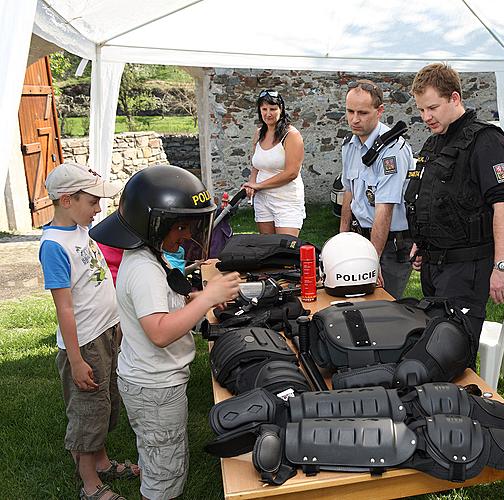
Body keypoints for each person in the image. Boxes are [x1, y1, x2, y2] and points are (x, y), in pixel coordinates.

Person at [90, 165, 242, 500]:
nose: (187, 234)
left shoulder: (151, 255)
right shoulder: (144, 269)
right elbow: (158, 332)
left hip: (153, 382)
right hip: (155, 386)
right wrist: (208, 300)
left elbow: (168, 301)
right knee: (165, 474)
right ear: (154, 223)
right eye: (182, 226)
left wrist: (197, 298)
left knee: (160, 458)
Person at [406, 63, 504, 360]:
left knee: (452, 351)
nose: (426, 117)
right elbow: (437, 199)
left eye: (432, 107)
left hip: (467, 268)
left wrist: (502, 266)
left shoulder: (486, 141)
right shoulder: (435, 143)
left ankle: (463, 404)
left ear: (455, 98)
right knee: (434, 345)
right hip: (436, 267)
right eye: (421, 110)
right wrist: (423, 243)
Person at [39, 162, 138, 500]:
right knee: (87, 414)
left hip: (106, 333)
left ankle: (102, 463)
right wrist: (77, 360)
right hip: (85, 344)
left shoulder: (81, 230)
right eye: (93, 201)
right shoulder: (54, 246)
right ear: (67, 200)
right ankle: (89, 483)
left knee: (106, 405)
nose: (98, 209)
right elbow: (64, 308)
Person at [339, 79, 414, 299]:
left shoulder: (392, 150)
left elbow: (385, 208)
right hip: (360, 239)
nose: (354, 119)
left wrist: (373, 260)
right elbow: (348, 193)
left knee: (384, 311)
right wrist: (342, 240)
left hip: (390, 246)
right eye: (350, 111)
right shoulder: (350, 145)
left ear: (379, 111)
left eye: (362, 112)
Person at [242, 89, 306, 236]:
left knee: (285, 250)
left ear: (281, 109)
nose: (268, 113)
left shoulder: (292, 135)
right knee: (267, 250)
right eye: (264, 109)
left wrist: (259, 185)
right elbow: (256, 165)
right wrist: (251, 184)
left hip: (286, 200)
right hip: (262, 200)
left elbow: (291, 173)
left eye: (273, 109)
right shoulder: (259, 133)